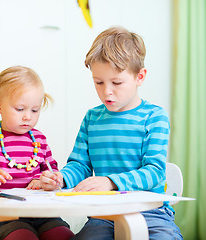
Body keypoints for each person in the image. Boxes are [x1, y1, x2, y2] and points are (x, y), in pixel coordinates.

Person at [40, 26, 183, 239]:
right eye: (98, 82)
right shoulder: (92, 118)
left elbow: (155, 172)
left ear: (140, 77)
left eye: (116, 82)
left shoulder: (154, 117)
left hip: (151, 213)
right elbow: (80, 165)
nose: (107, 91)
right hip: (104, 215)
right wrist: (61, 178)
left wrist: (110, 181)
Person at [0, 66, 74, 240]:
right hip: (5, 217)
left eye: (35, 110)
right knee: (23, 237)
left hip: (41, 213)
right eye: (20, 109)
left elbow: (53, 173)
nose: (27, 117)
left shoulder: (40, 139)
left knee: (63, 235)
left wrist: (47, 179)